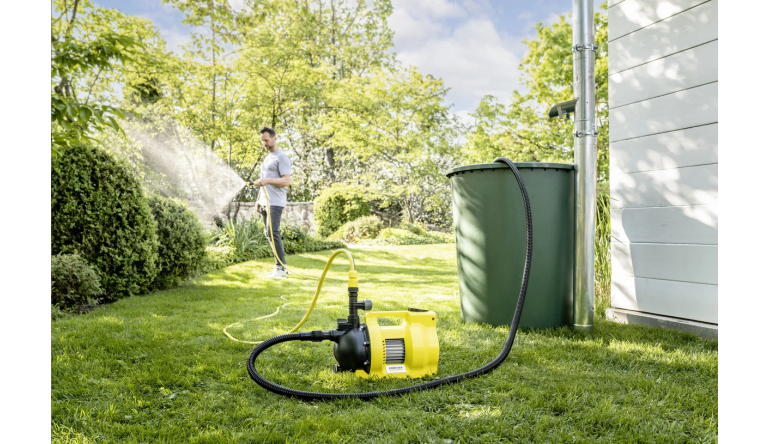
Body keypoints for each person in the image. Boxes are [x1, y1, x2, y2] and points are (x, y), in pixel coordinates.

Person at [254, 126, 292, 278]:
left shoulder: (281, 157)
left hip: (275, 202)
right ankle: (279, 266)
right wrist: (258, 200)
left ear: (274, 138)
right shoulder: (267, 157)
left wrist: (267, 181)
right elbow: (263, 182)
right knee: (268, 234)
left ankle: (281, 269)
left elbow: (286, 181)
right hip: (265, 202)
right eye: (262, 141)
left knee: (273, 232)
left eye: (267, 140)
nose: (264, 143)